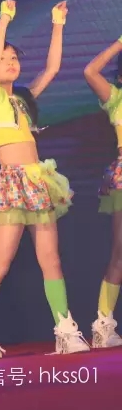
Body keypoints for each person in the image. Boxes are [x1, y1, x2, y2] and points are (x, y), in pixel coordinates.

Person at [0, 0, 89, 360]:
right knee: (1, 261)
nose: (9, 61)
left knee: (51, 259)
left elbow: (52, 68)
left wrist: (57, 24)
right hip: (12, 183)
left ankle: (64, 329)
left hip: (38, 181)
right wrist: (4, 19)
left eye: (13, 58)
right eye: (2, 58)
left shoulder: (21, 99)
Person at [84, 36, 122, 348]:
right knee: (120, 249)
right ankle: (103, 323)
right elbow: (90, 71)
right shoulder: (116, 98)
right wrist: (119, 43)